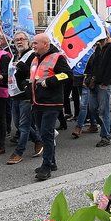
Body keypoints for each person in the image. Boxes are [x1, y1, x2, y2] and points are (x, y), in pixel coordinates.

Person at [29, 33, 71, 181]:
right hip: (37, 102)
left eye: (35, 43)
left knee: (46, 134)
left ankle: (46, 166)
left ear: (45, 44)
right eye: (33, 43)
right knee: (43, 133)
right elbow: (34, 78)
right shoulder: (35, 59)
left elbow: (67, 75)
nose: (33, 45)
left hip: (51, 103)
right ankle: (52, 161)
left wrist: (51, 81)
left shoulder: (57, 57)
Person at [7, 32, 44, 164]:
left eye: (22, 39)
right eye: (16, 40)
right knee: (17, 123)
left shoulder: (33, 55)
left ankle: (19, 152)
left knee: (23, 125)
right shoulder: (15, 55)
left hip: (26, 95)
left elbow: (36, 71)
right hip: (15, 94)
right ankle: (38, 139)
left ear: (28, 41)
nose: (19, 41)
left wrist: (22, 67)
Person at [86, 32, 111, 147]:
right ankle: (109, 125)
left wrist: (106, 82)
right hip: (94, 83)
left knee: (103, 111)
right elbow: (94, 65)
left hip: (103, 84)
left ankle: (105, 136)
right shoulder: (99, 48)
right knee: (93, 109)